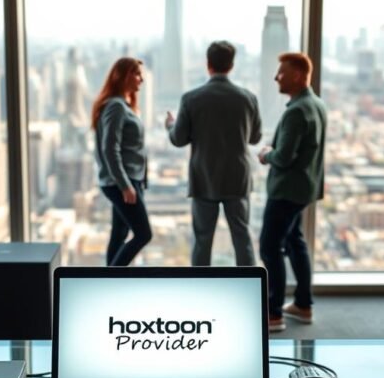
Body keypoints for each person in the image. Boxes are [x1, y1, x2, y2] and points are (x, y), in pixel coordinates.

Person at [165, 40, 262, 266]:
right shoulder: (248, 98)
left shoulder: (191, 99)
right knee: (242, 237)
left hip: (204, 179)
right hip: (237, 179)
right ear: (231, 65)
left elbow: (178, 140)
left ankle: (200, 291)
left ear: (208, 64)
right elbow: (255, 138)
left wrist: (171, 125)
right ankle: (249, 290)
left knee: (202, 240)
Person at [258, 51, 326, 332]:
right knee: (295, 242)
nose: (276, 77)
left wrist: (266, 154)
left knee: (269, 247)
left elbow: (283, 157)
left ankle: (274, 313)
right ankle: (303, 304)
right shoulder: (317, 104)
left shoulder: (297, 111)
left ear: (297, 75)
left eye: (281, 72)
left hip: (286, 191)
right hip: (305, 188)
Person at [92, 57, 152, 266]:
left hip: (128, 180)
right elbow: (110, 149)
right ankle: (112, 278)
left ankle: (109, 281)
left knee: (119, 234)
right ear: (123, 76)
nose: (141, 80)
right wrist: (125, 185)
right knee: (144, 234)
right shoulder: (116, 107)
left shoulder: (124, 106)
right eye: (137, 74)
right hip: (121, 182)